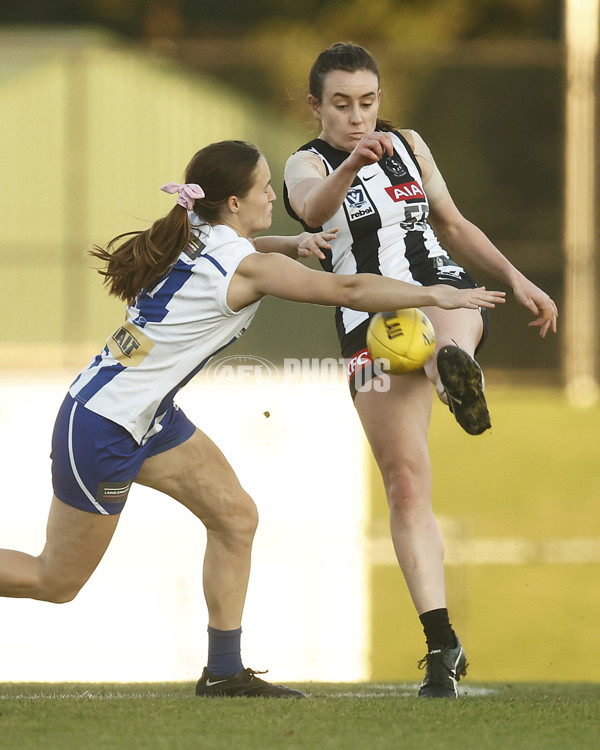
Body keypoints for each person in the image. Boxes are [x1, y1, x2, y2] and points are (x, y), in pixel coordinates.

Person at [0, 140, 504, 698]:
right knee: (56, 580)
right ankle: (222, 669)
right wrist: (433, 292)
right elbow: (349, 288)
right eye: (264, 187)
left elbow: (248, 250)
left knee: (236, 518)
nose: (272, 194)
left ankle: (223, 672)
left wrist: (293, 240)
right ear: (234, 203)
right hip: (103, 425)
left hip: (147, 416)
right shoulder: (242, 264)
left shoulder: (200, 228)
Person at [283, 43, 558, 698]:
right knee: (405, 482)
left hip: (442, 287)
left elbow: (452, 223)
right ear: (317, 105)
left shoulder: (408, 144)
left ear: (381, 99)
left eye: (368, 103)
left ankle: (450, 369)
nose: (358, 116)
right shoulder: (307, 162)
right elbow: (313, 213)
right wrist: (351, 161)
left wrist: (516, 277)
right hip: (371, 325)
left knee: (446, 335)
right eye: (342, 104)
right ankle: (442, 646)